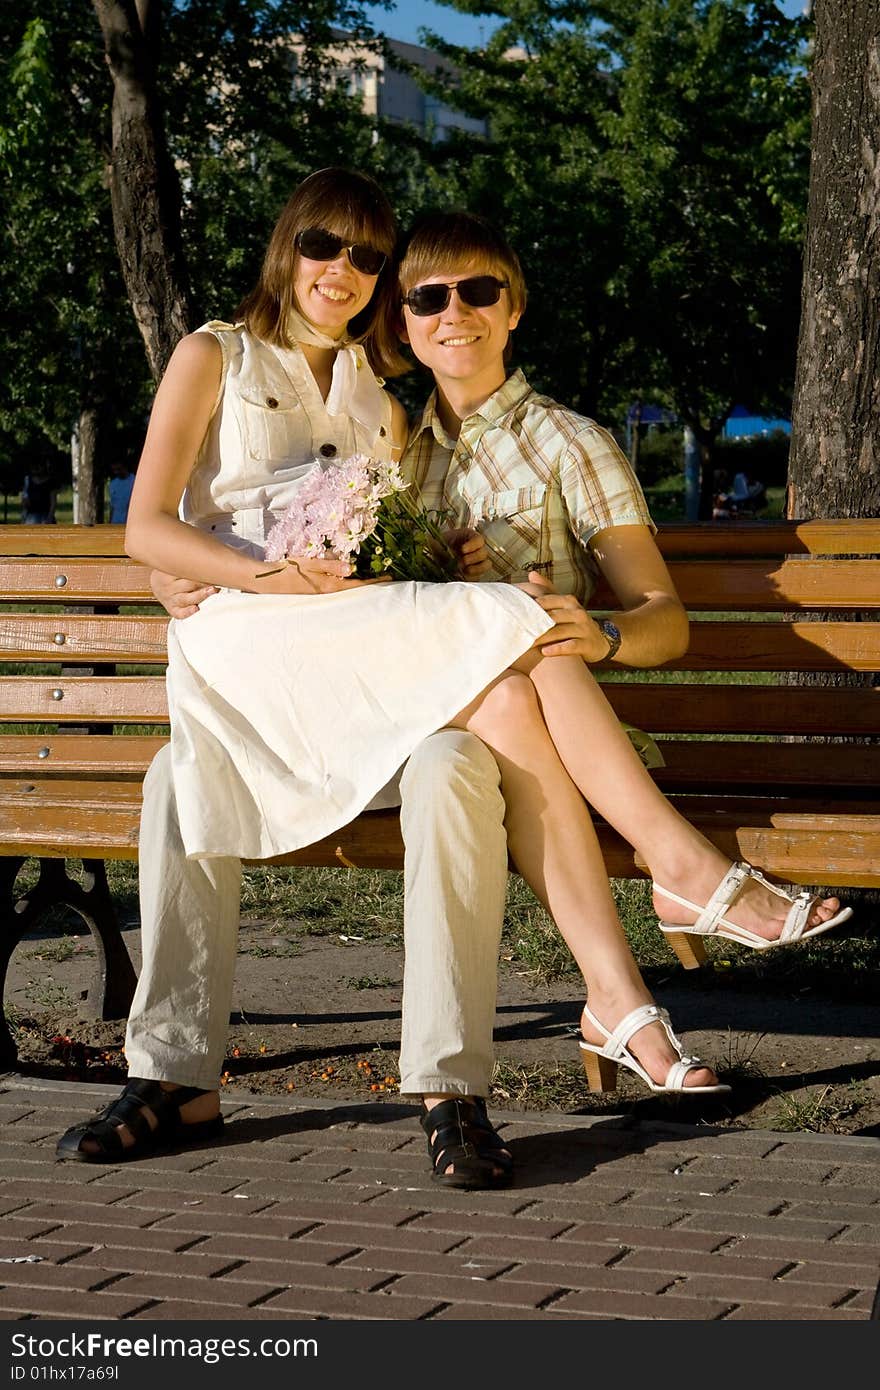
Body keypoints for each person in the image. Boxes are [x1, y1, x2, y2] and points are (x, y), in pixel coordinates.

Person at [56, 184, 848, 1187]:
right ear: (287, 248)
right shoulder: (222, 355)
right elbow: (152, 529)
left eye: (367, 258)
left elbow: (393, 584)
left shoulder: (385, 412)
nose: (340, 269)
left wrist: (497, 595)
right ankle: (173, 1074)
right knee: (180, 774)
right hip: (252, 655)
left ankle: (450, 1087)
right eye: (322, 245)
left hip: (375, 696)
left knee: (457, 752)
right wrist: (235, 570)